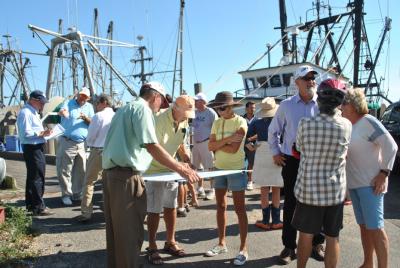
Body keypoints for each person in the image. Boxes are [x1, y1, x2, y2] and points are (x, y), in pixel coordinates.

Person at [101, 81, 200, 268]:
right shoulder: (144, 110)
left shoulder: (123, 109)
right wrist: (181, 168)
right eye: (161, 103)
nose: (160, 108)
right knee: (130, 235)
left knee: (116, 236)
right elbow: (152, 145)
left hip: (111, 175)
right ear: (156, 96)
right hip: (127, 176)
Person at [292, 79, 352, 268]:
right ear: (340, 103)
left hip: (309, 191)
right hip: (334, 193)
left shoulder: (305, 123)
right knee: (333, 238)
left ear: (319, 99)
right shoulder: (346, 125)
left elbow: (299, 149)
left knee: (305, 235)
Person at [268, 65, 325, 264]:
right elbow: (273, 131)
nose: (311, 81)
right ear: (297, 82)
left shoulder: (324, 104)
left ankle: (317, 243)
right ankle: (289, 247)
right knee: (291, 204)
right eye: (306, 78)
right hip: (292, 161)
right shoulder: (286, 105)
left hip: (317, 161)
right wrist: (275, 153)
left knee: (317, 203)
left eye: (312, 77)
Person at [341, 88, 397, 268]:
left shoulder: (369, 121)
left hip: (371, 185)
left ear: (352, 105)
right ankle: (368, 263)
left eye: (344, 103)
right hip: (355, 185)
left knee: (376, 228)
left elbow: (391, 146)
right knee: (364, 227)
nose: (341, 107)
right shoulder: (349, 125)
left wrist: (384, 173)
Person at [145, 95, 195, 265]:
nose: (188, 116)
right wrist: (178, 166)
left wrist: (186, 156)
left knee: (171, 206)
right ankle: (152, 246)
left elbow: (181, 141)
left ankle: (170, 241)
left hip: (171, 169)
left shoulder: (184, 120)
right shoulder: (158, 120)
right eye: (186, 112)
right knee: (153, 209)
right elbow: (154, 148)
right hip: (153, 170)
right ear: (175, 108)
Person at [205, 91, 249, 266]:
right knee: (220, 206)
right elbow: (210, 146)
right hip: (219, 168)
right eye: (217, 107)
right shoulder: (216, 122)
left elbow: (233, 149)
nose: (219, 110)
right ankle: (221, 243)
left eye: (222, 107)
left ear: (231, 107)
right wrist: (229, 139)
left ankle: (244, 248)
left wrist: (220, 144)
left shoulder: (241, 121)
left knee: (240, 209)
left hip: (237, 169)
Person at [75, 94, 115, 222]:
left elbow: (90, 137)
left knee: (89, 182)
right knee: (110, 183)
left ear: (103, 102)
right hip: (113, 153)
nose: (95, 106)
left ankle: (86, 212)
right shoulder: (116, 116)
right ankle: (111, 211)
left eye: (97, 103)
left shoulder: (98, 116)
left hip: (98, 151)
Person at [16, 90, 54, 216]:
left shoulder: (32, 112)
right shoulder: (26, 113)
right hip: (32, 148)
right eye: (41, 102)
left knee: (33, 177)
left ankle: (32, 205)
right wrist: (42, 133)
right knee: (37, 177)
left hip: (35, 147)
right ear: (33, 100)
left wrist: (43, 133)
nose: (43, 105)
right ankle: (38, 207)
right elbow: (26, 133)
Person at [249, 97, 283, 230]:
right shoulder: (280, 121)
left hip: (262, 151)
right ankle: (276, 221)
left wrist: (252, 146)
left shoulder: (256, 122)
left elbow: (247, 138)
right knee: (276, 187)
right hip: (277, 152)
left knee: (264, 189)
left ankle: (264, 220)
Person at [57, 87, 94, 206]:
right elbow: (62, 111)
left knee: (81, 171)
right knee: (65, 169)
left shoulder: (89, 107)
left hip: (82, 144)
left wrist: (85, 118)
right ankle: (66, 195)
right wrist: (63, 113)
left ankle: (77, 194)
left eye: (85, 97)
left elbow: (93, 123)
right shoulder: (68, 103)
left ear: (88, 98)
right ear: (78, 95)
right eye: (81, 95)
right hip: (68, 141)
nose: (83, 98)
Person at [192, 92, 218, 201]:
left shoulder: (210, 112)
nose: (194, 102)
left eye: (196, 101)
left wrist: (213, 143)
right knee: (197, 167)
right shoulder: (194, 112)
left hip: (206, 142)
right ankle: (200, 188)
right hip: (196, 143)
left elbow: (216, 128)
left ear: (202, 102)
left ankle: (212, 190)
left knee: (210, 167)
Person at [242, 101, 257, 191]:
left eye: (254, 108)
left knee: (251, 163)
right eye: (251, 107)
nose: (253, 109)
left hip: (252, 145)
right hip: (241, 145)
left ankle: (250, 181)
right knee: (239, 164)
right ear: (246, 108)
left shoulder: (257, 120)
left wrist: (249, 140)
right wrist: (245, 142)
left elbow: (260, 133)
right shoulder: (240, 119)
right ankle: (241, 180)